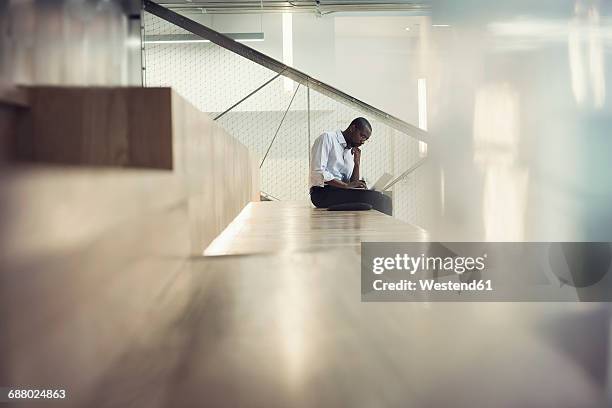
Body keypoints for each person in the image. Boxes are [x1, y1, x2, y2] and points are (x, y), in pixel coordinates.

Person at [309, 117, 392, 216]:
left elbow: (352, 183)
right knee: (380, 200)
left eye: (366, 139)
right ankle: (384, 231)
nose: (363, 141)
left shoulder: (350, 150)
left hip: (341, 192)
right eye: (362, 136)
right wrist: (346, 185)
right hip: (322, 193)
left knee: (383, 198)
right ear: (352, 128)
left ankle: (371, 230)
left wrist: (357, 164)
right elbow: (317, 172)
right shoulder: (327, 138)